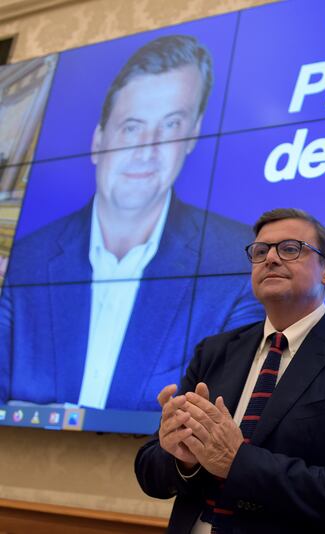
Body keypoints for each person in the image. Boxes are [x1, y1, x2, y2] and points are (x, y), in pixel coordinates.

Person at [0, 35, 262, 410]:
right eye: (132, 127)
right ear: (98, 140)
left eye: (171, 125)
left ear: (193, 135)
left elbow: (229, 415)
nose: (147, 150)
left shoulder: (236, 262)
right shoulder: (24, 263)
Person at [135, 208, 325, 533]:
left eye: (290, 249)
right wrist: (183, 459)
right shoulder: (214, 351)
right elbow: (151, 477)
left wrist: (237, 463)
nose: (270, 259)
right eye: (260, 252)